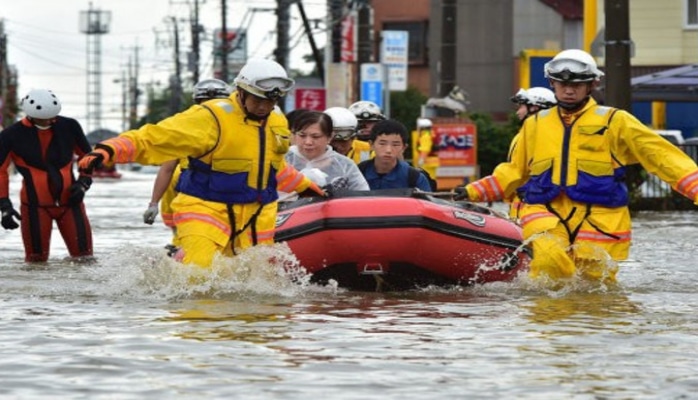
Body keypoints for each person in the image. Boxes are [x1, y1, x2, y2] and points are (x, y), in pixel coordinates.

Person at [453, 49, 698, 284]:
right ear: (552, 84)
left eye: (577, 85)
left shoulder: (615, 121)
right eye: (562, 85)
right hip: (546, 212)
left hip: (600, 217)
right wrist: (473, 191)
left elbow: (662, 156)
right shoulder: (535, 124)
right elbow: (515, 171)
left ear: (592, 85)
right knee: (548, 265)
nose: (569, 91)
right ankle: (547, 323)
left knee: (593, 286)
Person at [79, 58, 324, 268]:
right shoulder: (211, 117)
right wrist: (108, 150)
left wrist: (303, 185)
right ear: (241, 91)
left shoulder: (277, 121)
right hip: (205, 209)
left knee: (258, 290)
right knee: (200, 276)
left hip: (255, 216)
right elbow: (154, 138)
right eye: (258, 99)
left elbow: (272, 167)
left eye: (271, 101)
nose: (264, 107)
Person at [0, 89, 94, 262]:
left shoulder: (70, 126)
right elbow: (1, 171)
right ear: (31, 115)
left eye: (53, 116)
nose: (51, 121)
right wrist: (4, 206)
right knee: (35, 262)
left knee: (85, 258)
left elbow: (88, 157)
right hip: (34, 207)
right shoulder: (10, 135)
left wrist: (83, 183)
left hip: (71, 203)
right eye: (45, 119)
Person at [142, 78, 233, 251]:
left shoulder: (241, 126)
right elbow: (167, 169)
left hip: (229, 188)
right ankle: (181, 240)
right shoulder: (186, 129)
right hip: (194, 190)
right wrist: (153, 203)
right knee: (177, 175)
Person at [504, 87, 557, 219]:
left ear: (534, 108)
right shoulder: (524, 134)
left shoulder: (546, 135)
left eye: (521, 106)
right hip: (523, 206)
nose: (517, 112)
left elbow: (516, 172)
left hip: (537, 208)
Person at [285, 111, 370, 192]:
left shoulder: (345, 165)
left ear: (329, 137)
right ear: (294, 135)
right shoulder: (282, 160)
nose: (308, 142)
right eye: (302, 136)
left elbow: (362, 195)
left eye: (315, 137)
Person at [358, 119, 433, 191]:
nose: (388, 150)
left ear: (404, 147)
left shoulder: (414, 177)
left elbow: (426, 203)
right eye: (382, 143)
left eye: (395, 144)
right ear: (371, 145)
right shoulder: (358, 173)